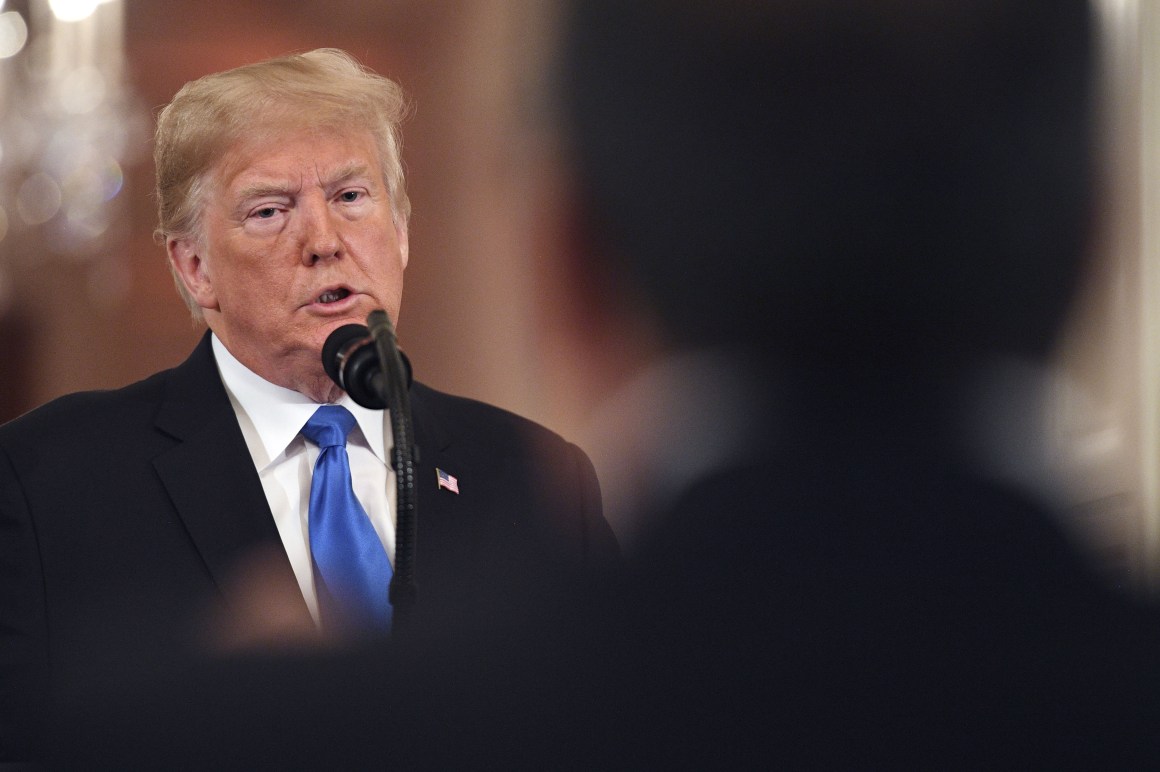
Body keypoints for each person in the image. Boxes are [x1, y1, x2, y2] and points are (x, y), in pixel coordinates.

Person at [0, 48, 616, 762]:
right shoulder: (46, 483)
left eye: (353, 198)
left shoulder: (537, 480)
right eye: (270, 210)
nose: (325, 242)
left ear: (404, 232)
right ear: (195, 268)